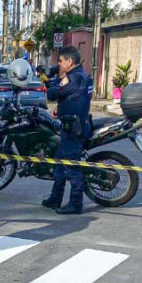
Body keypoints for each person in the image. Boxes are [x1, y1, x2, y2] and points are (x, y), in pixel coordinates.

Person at [43, 46, 93, 215]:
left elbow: (53, 93)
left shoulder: (75, 78)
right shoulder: (81, 76)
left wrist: (50, 81)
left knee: (71, 167)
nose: (59, 64)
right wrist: (62, 109)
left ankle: (76, 203)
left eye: (61, 61)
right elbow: (73, 98)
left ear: (70, 62)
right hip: (71, 125)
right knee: (58, 165)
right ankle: (55, 198)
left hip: (74, 130)